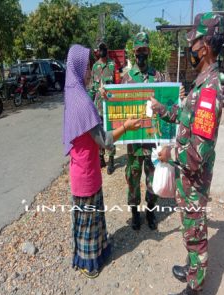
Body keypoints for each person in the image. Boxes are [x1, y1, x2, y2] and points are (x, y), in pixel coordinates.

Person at [151, 12, 224, 295]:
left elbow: (197, 155)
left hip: (194, 179)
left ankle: (193, 291)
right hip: (187, 179)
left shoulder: (209, 91)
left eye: (193, 44)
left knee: (196, 234)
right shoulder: (201, 83)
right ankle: (192, 267)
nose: (190, 50)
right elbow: (184, 117)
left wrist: (169, 153)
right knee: (189, 230)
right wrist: (162, 109)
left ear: (204, 46)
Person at [63, 44, 141, 279]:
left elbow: (89, 122)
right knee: (89, 221)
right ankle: (89, 264)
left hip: (79, 169)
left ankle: (87, 255)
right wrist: (125, 127)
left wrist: (103, 95)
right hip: (87, 173)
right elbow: (105, 141)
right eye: (87, 67)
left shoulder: (72, 92)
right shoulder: (83, 103)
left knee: (86, 218)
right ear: (79, 67)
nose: (90, 72)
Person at [121, 32, 164, 231]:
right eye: (138, 50)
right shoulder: (127, 78)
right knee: (133, 178)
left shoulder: (159, 77)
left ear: (149, 51)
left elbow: (168, 103)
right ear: (134, 52)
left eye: (144, 50)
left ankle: (151, 211)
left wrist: (179, 94)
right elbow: (116, 106)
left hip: (153, 140)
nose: (141, 54)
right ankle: (134, 213)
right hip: (134, 142)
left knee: (153, 179)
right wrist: (106, 94)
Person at [89, 41, 116, 175]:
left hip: (110, 105)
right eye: (100, 49)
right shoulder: (95, 67)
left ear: (107, 49)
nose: (102, 50)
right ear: (98, 51)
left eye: (104, 48)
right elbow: (92, 87)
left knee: (110, 132)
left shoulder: (112, 65)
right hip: (98, 106)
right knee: (99, 132)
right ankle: (101, 157)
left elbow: (117, 86)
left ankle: (111, 159)